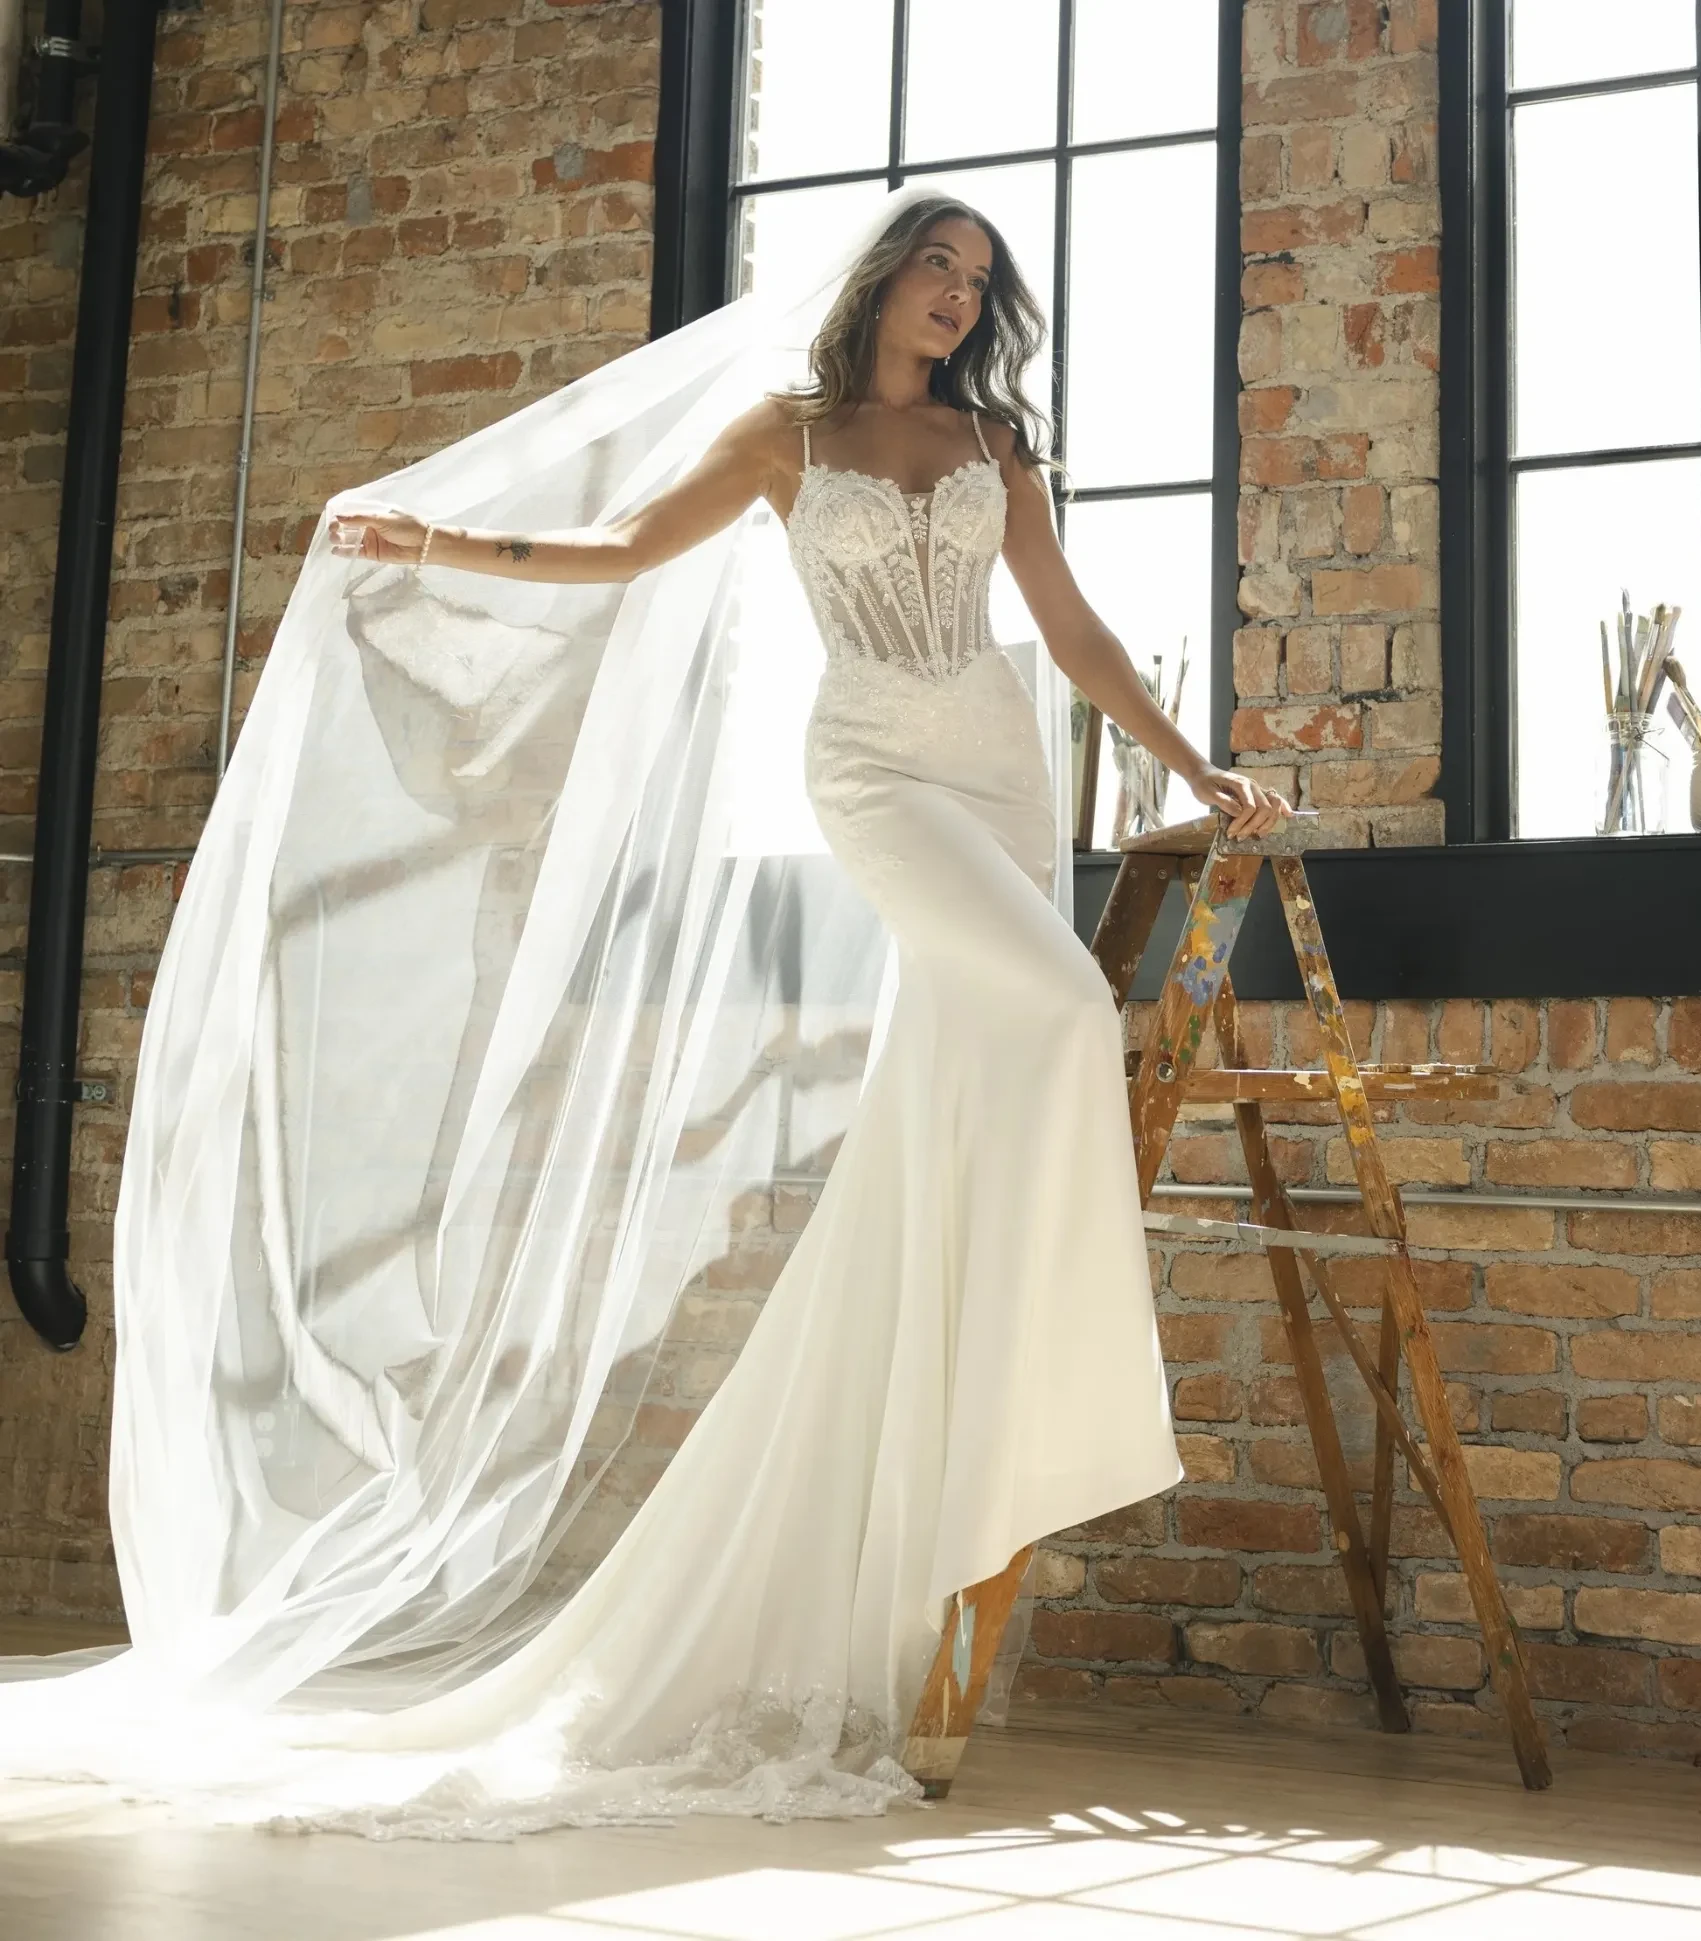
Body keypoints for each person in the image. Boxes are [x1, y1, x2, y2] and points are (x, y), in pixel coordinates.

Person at [0, 190, 1287, 1837]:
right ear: (885, 277)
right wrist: (436, 543)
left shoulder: (992, 457)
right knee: (1051, 1012)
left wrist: (1193, 767)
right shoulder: (784, 436)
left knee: (968, 1095)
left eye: (981, 280)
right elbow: (621, 557)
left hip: (994, 762)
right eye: (937, 267)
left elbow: (1075, 632)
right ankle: (1048, 1375)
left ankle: (958, 1421)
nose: (960, 299)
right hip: (879, 769)